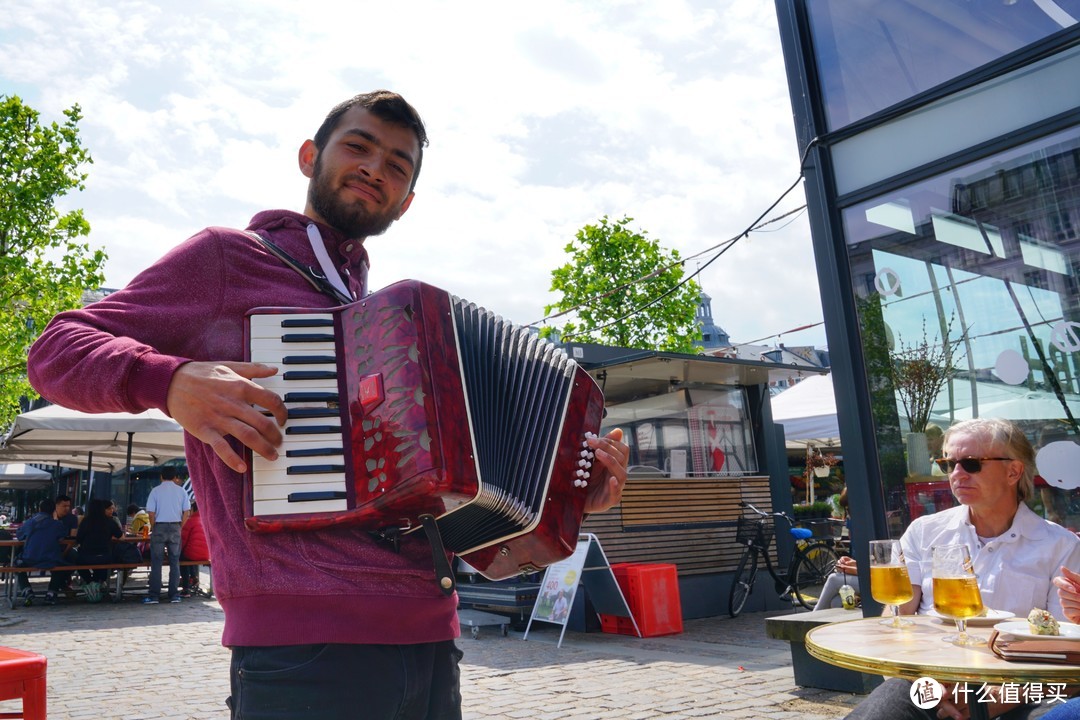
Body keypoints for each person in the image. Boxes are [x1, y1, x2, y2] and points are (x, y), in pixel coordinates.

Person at [26, 89, 630, 720]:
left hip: (430, 640)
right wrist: (170, 383)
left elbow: (462, 534)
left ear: (407, 201)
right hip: (303, 645)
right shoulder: (229, 259)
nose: (377, 168)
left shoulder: (391, 327)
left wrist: (564, 495)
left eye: (398, 165)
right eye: (359, 146)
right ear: (310, 156)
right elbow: (55, 352)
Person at [844, 417, 1080, 720]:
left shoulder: (1060, 546)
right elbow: (896, 617)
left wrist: (998, 697)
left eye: (970, 464)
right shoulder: (925, 531)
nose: (956, 474)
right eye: (948, 464)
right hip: (931, 679)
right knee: (885, 706)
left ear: (1013, 471)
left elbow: (1064, 652)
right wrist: (923, 682)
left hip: (1020, 690)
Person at [144, 466, 191, 604]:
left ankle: (154, 596)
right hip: (175, 526)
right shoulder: (181, 491)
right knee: (174, 562)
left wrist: (154, 526)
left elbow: (151, 513)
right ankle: (174, 595)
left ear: (161, 476)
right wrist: (179, 527)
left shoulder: (155, 491)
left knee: (156, 562)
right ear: (175, 477)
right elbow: (187, 513)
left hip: (159, 526)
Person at [14, 499, 71, 606]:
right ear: (54, 510)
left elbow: (19, 535)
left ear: (39, 509)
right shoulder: (56, 524)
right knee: (61, 565)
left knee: (17, 564)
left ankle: (26, 589)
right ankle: (51, 592)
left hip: (30, 558)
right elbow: (64, 534)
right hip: (51, 559)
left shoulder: (30, 522)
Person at [75, 498, 123, 600]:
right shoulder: (109, 521)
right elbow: (120, 536)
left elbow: (78, 539)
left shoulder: (85, 521)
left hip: (86, 557)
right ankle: (97, 582)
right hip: (105, 557)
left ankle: (89, 581)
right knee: (102, 563)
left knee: (78, 561)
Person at [180, 499, 209, 597]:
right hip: (206, 554)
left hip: (193, 554)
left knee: (181, 557)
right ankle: (193, 577)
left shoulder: (190, 521)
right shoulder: (207, 520)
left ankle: (186, 588)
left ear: (193, 509)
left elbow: (182, 540)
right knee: (191, 554)